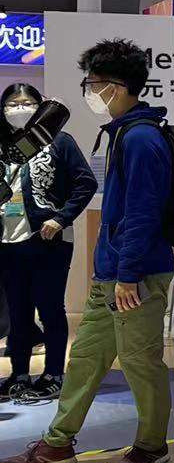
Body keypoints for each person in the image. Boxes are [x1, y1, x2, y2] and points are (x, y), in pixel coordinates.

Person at [0, 40, 174, 463]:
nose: (89, 91)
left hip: (135, 275)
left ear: (116, 86)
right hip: (111, 273)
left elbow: (142, 212)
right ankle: (57, 443)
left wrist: (128, 274)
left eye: (92, 83)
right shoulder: (122, 134)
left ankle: (151, 444)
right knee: (85, 359)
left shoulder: (141, 138)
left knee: (139, 362)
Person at [0, 83, 95, 402]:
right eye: (12, 103)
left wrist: (61, 218)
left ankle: (53, 373)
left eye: (27, 102)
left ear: (40, 106)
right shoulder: (2, 144)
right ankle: (19, 374)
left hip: (47, 239)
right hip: (7, 240)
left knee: (50, 308)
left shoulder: (59, 141)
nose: (19, 108)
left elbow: (85, 182)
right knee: (18, 311)